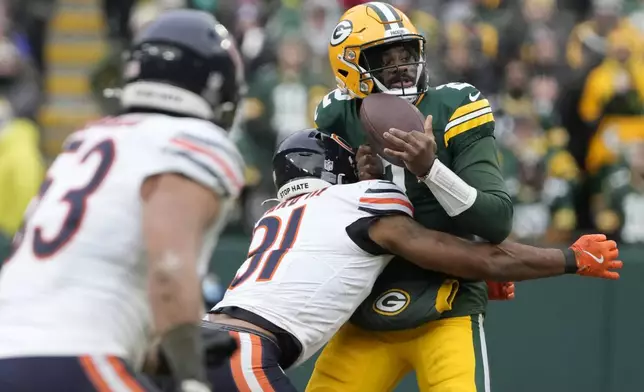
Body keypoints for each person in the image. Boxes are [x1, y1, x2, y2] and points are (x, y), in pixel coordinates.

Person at [199, 128, 621, 391]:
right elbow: (472, 256)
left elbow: (337, 270)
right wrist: (567, 258)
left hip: (196, 339)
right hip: (244, 353)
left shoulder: (272, 216)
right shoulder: (360, 201)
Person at [0, 9, 245, 392]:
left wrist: (158, 351)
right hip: (76, 356)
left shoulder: (89, 138)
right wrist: (192, 376)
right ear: (215, 84)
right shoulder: (191, 138)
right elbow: (168, 267)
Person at [310, 2, 514, 391]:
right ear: (350, 68)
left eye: (406, 54)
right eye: (384, 60)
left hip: (447, 301)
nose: (402, 66)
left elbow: (497, 220)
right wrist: (355, 185)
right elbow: (319, 221)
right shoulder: (338, 115)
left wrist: (431, 171)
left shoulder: (454, 105)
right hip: (367, 307)